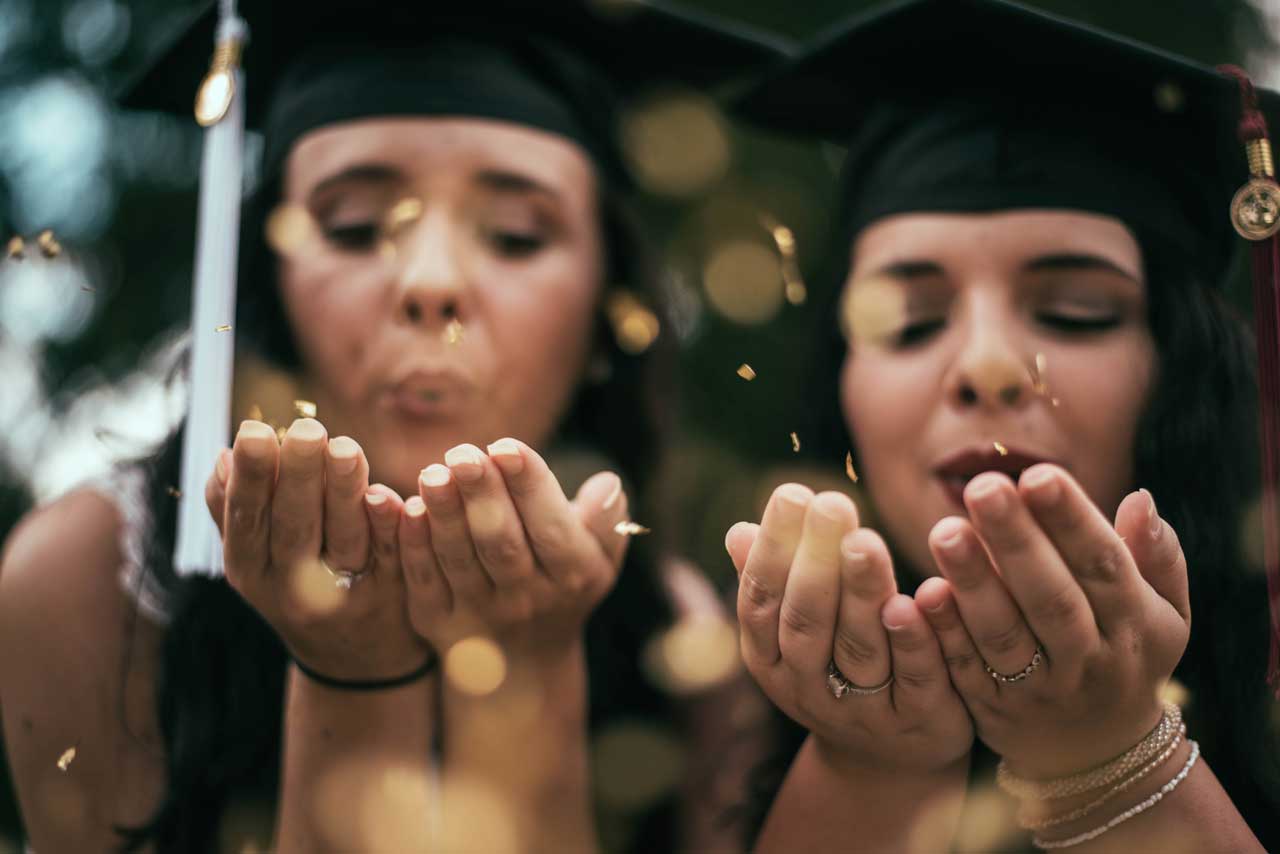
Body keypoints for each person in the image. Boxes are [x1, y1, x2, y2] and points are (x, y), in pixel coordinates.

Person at [0, 2, 787, 851]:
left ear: (611, 318)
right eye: (354, 226)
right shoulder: (94, 579)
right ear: (266, 293)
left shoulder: (685, 645)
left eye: (516, 236)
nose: (430, 281)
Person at [725, 0, 1280, 850]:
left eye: (1076, 311)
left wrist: (1108, 755)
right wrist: (868, 760)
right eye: (908, 322)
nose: (986, 366)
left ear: (1185, 373)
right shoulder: (716, 712)